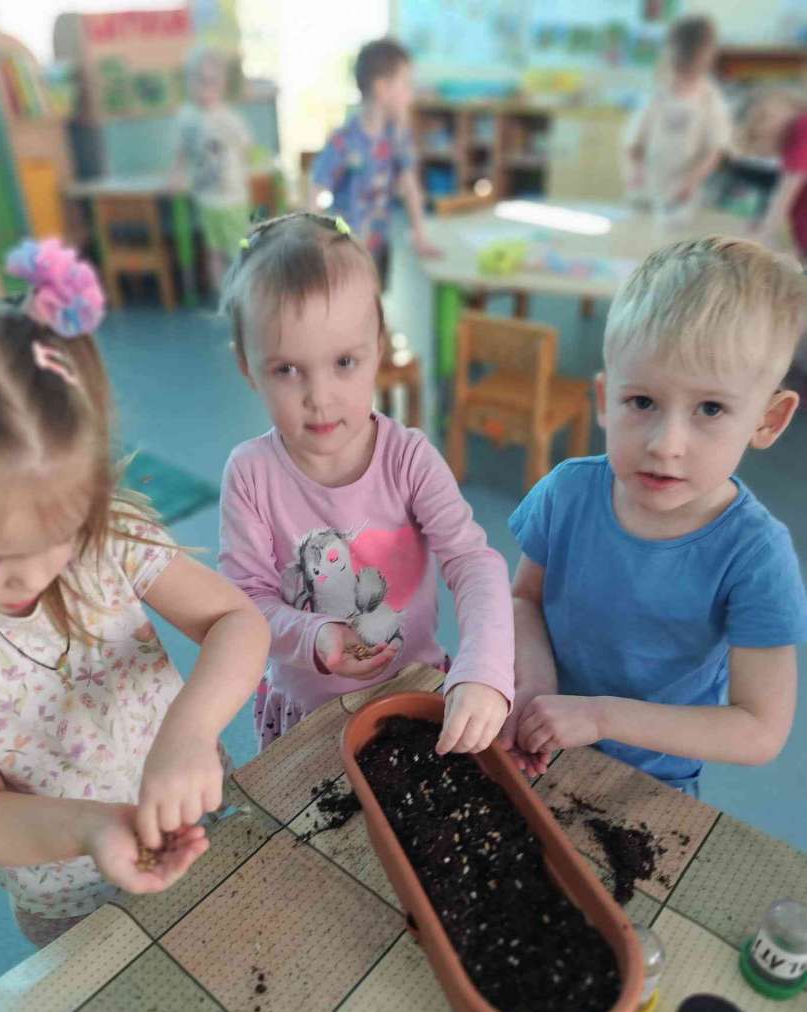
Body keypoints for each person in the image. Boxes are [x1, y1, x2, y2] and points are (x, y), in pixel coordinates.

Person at [0, 239, 269, 948]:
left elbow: (235, 619)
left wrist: (191, 730)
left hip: (200, 823)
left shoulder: (109, 532)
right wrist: (95, 829)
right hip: (68, 896)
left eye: (62, 532)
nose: (34, 575)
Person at [502, 237, 807, 796]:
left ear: (768, 420)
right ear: (605, 398)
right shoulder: (567, 492)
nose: (666, 445)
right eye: (642, 402)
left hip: (651, 785)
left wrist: (600, 716)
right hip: (538, 746)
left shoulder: (756, 556)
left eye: (710, 408)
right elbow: (524, 599)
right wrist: (537, 683)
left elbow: (759, 729)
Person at [218, 212, 513, 755]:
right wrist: (315, 635)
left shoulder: (409, 459)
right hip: (305, 716)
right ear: (246, 367)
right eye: (286, 370)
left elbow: (473, 562)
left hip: (410, 697)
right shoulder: (250, 474)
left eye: (344, 362)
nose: (319, 397)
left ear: (379, 346)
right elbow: (246, 602)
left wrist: (486, 668)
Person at [310, 37, 438, 292]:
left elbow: (410, 186)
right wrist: (313, 245)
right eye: (406, 84)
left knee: (375, 300)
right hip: (345, 248)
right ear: (382, 88)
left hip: (379, 244)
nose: (411, 95)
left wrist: (420, 236)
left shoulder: (397, 135)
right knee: (349, 302)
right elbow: (316, 187)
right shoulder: (345, 140)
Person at [625, 16, 732, 225]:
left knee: (675, 235)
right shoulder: (656, 94)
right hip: (647, 189)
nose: (681, 79)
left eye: (689, 72)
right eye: (678, 71)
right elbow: (633, 144)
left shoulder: (710, 99)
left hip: (684, 195)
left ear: (706, 60)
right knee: (639, 232)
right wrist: (635, 172)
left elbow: (715, 150)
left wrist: (691, 181)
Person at [173, 46, 253, 296]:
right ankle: (222, 295)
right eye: (199, 81)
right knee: (214, 250)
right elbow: (181, 152)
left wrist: (240, 172)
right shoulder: (186, 117)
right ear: (189, 82)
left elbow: (245, 149)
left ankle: (243, 294)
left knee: (238, 248)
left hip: (233, 197)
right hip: (206, 197)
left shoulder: (229, 118)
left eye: (212, 82)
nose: (205, 89)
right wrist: (177, 175)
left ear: (222, 84)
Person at [740, 89, 807, 259]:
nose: (765, 127)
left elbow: (786, 191)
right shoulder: (792, 151)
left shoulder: (802, 125)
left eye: (765, 116)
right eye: (758, 124)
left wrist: (764, 232)